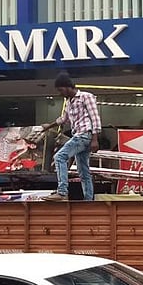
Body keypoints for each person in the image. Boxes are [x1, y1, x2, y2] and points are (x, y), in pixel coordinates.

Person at [40, 73, 101, 201]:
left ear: (68, 87)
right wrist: (49, 126)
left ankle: (62, 192)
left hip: (84, 135)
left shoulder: (86, 97)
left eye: (61, 90)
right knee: (83, 171)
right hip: (80, 136)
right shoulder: (69, 102)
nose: (60, 93)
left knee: (59, 156)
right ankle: (89, 200)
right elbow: (64, 119)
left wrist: (95, 139)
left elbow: (95, 118)